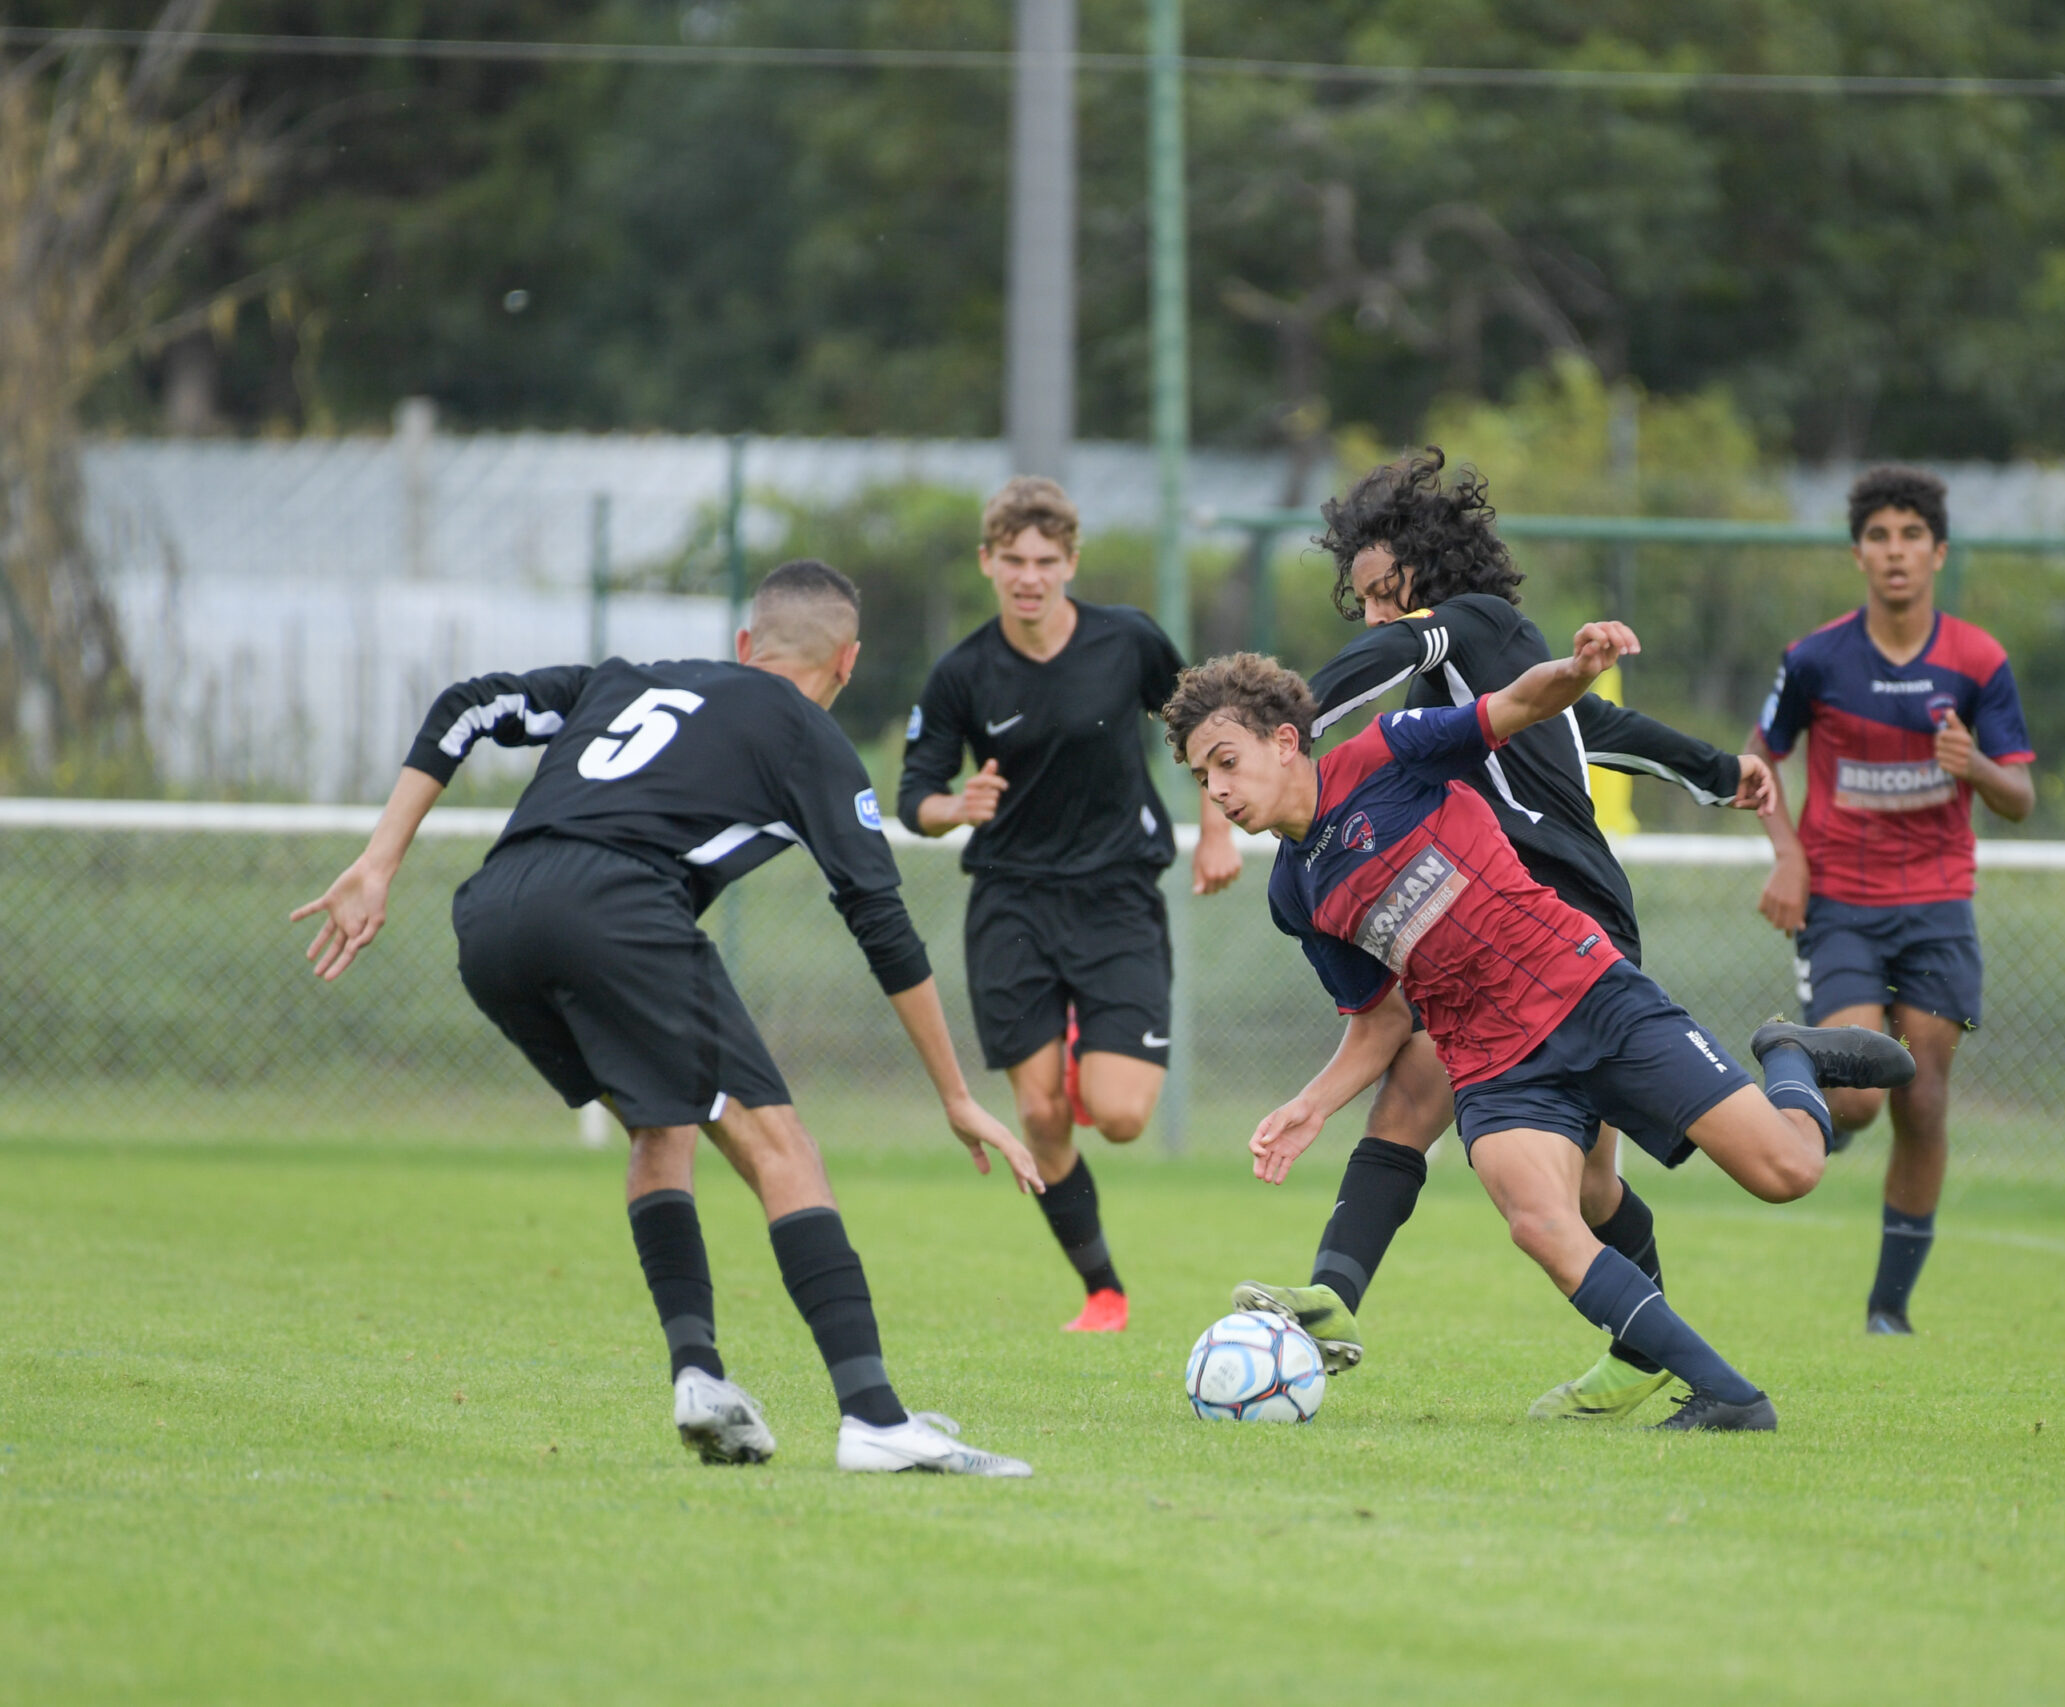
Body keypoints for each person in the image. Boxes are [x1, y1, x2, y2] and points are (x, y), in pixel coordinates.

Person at [294, 558, 1042, 1477]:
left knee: (663, 1123)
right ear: (846, 665)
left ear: (742, 644)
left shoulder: (629, 680)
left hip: (494, 914)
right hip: (613, 906)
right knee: (785, 1149)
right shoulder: (806, 731)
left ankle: (699, 1376)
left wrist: (379, 863)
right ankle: (875, 1419)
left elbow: (469, 702)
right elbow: (881, 922)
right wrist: (957, 1095)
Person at [1166, 628, 1915, 1433]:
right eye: (1202, 774)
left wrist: (1576, 670)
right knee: (1543, 1221)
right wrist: (1311, 1105)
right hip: (1489, 1063)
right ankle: (1731, 1395)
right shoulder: (1295, 892)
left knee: (1790, 1169)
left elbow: (1512, 707)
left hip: (1585, 991)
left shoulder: (1385, 754)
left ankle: (1790, 1054)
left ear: (1284, 742)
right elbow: (1381, 1019)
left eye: (1227, 760)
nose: (1216, 788)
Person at [1228, 448, 1772, 1424]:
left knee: (1573, 1174)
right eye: (1360, 605)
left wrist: (1279, 724)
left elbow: (1450, 667)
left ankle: (1626, 1346)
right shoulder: (1460, 690)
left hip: (1565, 917)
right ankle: (1338, 1292)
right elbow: (1591, 719)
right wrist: (1716, 769)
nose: (1375, 620)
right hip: (1485, 932)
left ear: (1425, 574)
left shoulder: (1467, 625)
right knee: (1525, 1152)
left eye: (1382, 595)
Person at [899, 478, 1241, 1333]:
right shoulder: (963, 672)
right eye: (1012, 559)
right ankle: (1104, 1291)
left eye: (1045, 560)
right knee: (1042, 1114)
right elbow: (914, 795)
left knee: (1120, 1116)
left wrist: (1217, 830)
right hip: (1011, 903)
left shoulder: (1126, 640)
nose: (1029, 575)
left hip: (1118, 894)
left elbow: (1207, 726)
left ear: (1070, 563)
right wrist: (954, 807)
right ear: (987, 562)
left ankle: (1091, 1046)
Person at [1746, 465, 2037, 1334]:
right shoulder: (1817, 657)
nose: (1896, 551)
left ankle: (1888, 1310)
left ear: (1939, 552)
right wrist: (1789, 857)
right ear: (1858, 554)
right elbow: (1760, 762)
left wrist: (1974, 766)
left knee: (1923, 1097)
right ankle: (1796, 1092)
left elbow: (2019, 795)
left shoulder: (1978, 660)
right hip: (1841, 900)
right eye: (1879, 536)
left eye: (1912, 535)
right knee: (1866, 1091)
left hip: (1939, 903)